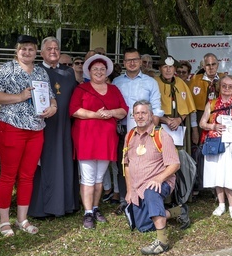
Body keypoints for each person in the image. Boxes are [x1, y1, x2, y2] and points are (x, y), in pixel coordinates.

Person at [0, 35, 57, 236]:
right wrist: (19, 97)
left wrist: (53, 107)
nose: (27, 52)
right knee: (8, 175)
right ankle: (4, 221)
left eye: (31, 49)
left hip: (36, 129)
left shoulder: (40, 72)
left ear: (36, 51)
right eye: (23, 49)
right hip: (11, 127)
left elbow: (50, 96)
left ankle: (22, 218)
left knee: (27, 176)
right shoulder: (7, 69)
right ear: (17, 50)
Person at [70, 54, 128, 228]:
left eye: (102, 69)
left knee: (99, 177)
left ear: (107, 72)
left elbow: (124, 110)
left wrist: (110, 113)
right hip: (86, 138)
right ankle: (88, 212)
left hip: (106, 139)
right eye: (95, 69)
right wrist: (95, 115)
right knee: (87, 176)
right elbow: (73, 110)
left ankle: (95, 207)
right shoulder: (81, 89)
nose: (99, 72)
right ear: (89, 71)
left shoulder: (114, 90)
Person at [124, 101, 184, 255]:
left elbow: (174, 164)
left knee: (151, 192)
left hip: (160, 182)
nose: (140, 116)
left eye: (144, 113)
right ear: (133, 116)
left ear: (151, 115)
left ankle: (162, 242)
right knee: (143, 226)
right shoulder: (130, 136)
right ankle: (178, 212)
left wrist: (159, 179)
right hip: (138, 186)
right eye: (137, 113)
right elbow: (127, 165)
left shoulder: (161, 135)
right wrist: (130, 190)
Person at [30, 37, 80, 218]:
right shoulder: (35, 71)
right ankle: (41, 208)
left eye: (56, 48)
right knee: (43, 164)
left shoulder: (68, 73)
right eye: (49, 48)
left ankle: (66, 205)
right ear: (41, 53)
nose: (53, 51)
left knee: (65, 163)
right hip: (44, 125)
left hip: (66, 126)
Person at [112, 47, 164, 214]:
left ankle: (143, 197)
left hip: (145, 132)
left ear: (141, 61)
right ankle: (124, 199)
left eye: (135, 59)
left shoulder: (150, 82)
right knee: (124, 165)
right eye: (128, 60)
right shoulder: (117, 82)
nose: (132, 63)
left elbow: (156, 109)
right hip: (122, 131)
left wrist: (151, 132)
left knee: (144, 165)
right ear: (124, 63)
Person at [198, 75, 232, 220]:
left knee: (230, 175)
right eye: (224, 85)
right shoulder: (211, 104)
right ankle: (221, 204)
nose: (226, 89)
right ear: (219, 87)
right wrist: (213, 126)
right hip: (214, 143)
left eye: (230, 86)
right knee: (217, 175)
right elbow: (202, 123)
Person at [154, 56, 196, 150]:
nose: (168, 70)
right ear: (160, 69)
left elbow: (188, 106)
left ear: (175, 69)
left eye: (171, 67)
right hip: (159, 124)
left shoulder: (180, 83)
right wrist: (166, 120)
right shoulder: (154, 82)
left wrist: (179, 119)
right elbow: (149, 109)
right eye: (165, 67)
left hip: (178, 126)